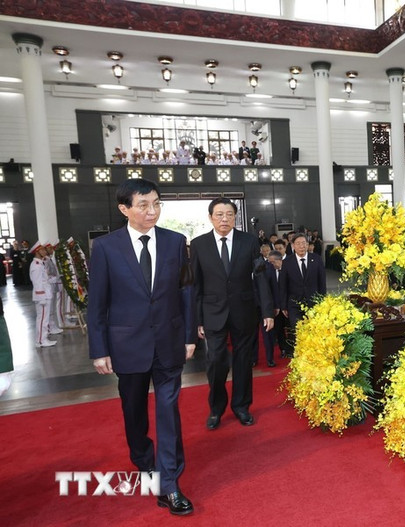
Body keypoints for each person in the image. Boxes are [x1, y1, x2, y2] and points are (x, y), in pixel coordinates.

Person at [86, 178, 196, 515]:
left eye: (157, 204)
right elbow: (97, 303)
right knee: (134, 412)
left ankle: (169, 483)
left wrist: (189, 336)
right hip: (127, 345)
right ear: (124, 209)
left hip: (168, 342)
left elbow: (186, 292)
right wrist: (99, 349)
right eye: (144, 205)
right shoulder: (106, 247)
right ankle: (143, 459)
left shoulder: (176, 242)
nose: (152, 211)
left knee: (168, 412)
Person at [190, 198, 274, 430]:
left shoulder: (249, 241)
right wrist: (197, 319)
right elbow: (195, 285)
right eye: (219, 214)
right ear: (210, 217)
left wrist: (267, 311)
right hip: (212, 312)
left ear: (235, 217)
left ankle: (241, 406)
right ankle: (216, 409)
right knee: (216, 362)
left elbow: (260, 276)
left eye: (229, 214)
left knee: (243, 361)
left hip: (244, 311)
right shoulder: (199, 244)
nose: (224, 219)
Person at [279, 233, 326, 355]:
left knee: (313, 331)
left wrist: (323, 301)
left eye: (304, 243)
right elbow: (283, 285)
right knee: (298, 331)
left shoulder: (316, 259)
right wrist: (283, 305)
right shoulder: (287, 262)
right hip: (294, 304)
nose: (301, 246)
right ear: (293, 246)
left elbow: (322, 283)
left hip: (314, 303)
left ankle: (314, 355)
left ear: (308, 244)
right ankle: (301, 356)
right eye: (298, 244)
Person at [29, 241, 56, 348]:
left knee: (45, 318)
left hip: (46, 294)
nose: (45, 251)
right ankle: (41, 340)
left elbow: (44, 279)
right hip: (42, 296)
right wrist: (41, 297)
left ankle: (43, 338)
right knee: (42, 319)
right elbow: (37, 283)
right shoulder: (36, 265)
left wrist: (52, 279)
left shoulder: (40, 263)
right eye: (42, 250)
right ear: (37, 251)